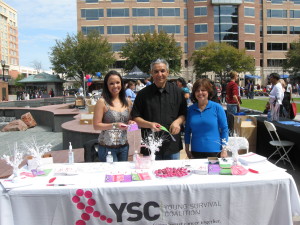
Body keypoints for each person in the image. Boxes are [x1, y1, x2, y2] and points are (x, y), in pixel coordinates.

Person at [131, 59, 187, 160]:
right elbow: (135, 117)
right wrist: (149, 124)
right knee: (150, 175)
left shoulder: (178, 92)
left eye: (162, 71)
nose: (159, 74)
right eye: (156, 71)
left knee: (173, 174)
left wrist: (178, 122)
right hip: (150, 146)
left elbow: (184, 113)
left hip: (172, 145)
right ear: (151, 73)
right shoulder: (142, 94)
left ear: (168, 72)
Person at [93, 70, 135, 162]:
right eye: (111, 83)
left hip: (124, 146)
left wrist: (132, 122)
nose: (115, 86)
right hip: (107, 148)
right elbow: (96, 125)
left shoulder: (127, 101)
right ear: (107, 86)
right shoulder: (102, 102)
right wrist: (115, 125)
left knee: (122, 173)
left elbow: (130, 121)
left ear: (122, 84)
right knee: (111, 174)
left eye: (117, 82)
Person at [184, 79, 229, 159]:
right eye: (197, 91)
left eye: (203, 90)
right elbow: (187, 131)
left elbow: (224, 129)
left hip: (214, 151)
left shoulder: (217, 108)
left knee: (214, 172)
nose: (200, 93)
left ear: (208, 92)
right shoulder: (190, 109)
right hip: (196, 152)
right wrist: (187, 149)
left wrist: (224, 149)